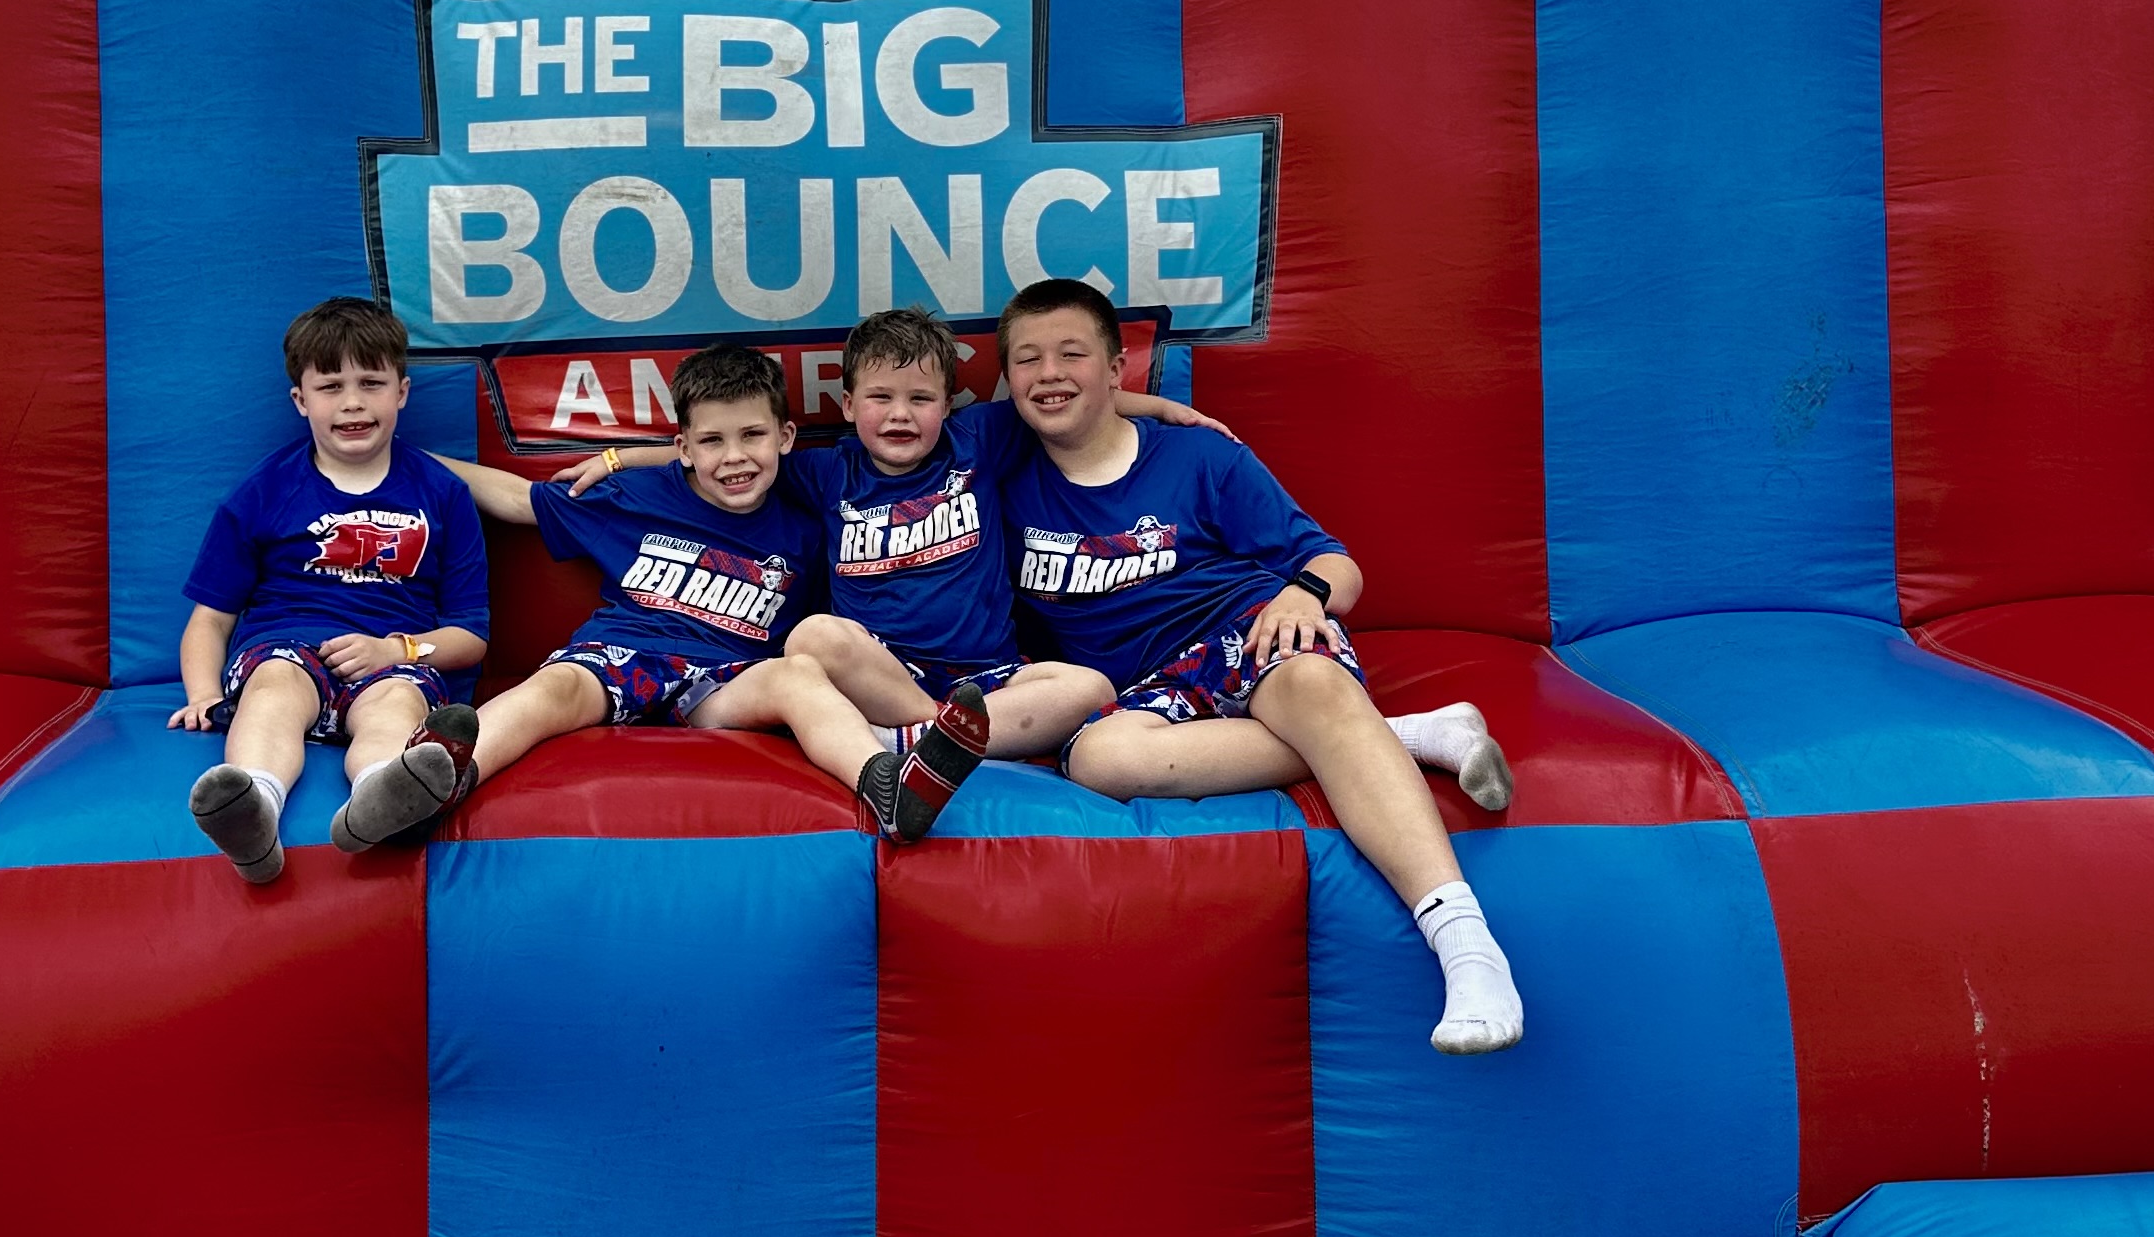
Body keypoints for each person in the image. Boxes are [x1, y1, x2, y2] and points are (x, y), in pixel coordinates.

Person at [991, 278, 1525, 1054]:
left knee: (1308, 681)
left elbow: (1337, 564)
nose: (1050, 373)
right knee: (1097, 758)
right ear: (1006, 381)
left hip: (1250, 630)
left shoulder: (1201, 457)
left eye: (1073, 353)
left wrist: (1304, 595)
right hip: (1147, 688)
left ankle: (1467, 946)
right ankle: (1398, 734)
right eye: (1028, 359)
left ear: (1116, 368)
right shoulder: (998, 473)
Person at [372, 341, 993, 848]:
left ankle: (887, 787)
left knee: (798, 676)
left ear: (785, 437)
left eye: (752, 436)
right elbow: (513, 499)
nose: (734, 459)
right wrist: (399, 454)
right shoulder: (640, 495)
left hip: (726, 677)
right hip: (624, 656)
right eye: (713, 443)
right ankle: (439, 780)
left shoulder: (811, 515)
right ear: (683, 450)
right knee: (553, 688)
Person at [559, 307, 1203, 770]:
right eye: (881, 397)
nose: (900, 413)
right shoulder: (825, 470)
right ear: (847, 406)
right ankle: (945, 737)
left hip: (989, 677)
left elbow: (1065, 403)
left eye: (921, 398)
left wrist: (1158, 410)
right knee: (812, 637)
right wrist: (621, 460)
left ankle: (914, 745)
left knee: (1088, 688)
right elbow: (727, 447)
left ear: (950, 405)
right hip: (879, 673)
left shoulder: (980, 439)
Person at [172, 296, 490, 884]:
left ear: (402, 392)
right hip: (286, 649)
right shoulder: (266, 491)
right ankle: (254, 808)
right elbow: (211, 617)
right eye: (330, 386)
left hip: (393, 660)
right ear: (300, 400)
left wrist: (399, 650)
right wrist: (200, 693)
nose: (352, 402)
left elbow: (470, 636)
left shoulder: (443, 494)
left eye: (372, 382)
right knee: (272, 688)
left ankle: (379, 795)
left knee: (397, 704)